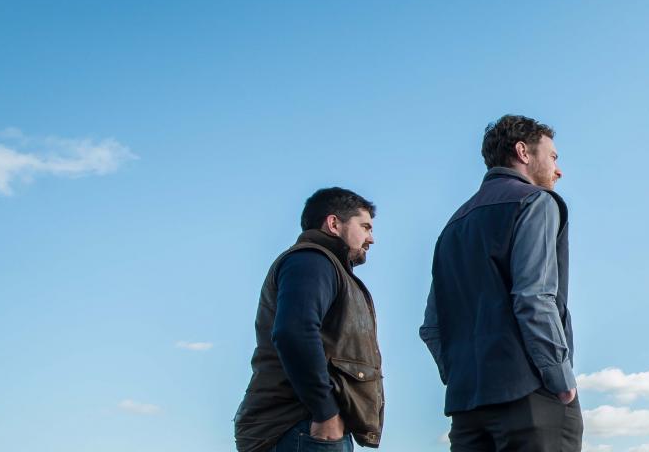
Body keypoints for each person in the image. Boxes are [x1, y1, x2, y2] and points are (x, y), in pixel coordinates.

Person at [421, 115, 582, 451]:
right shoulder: (536, 202)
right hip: (530, 396)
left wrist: (461, 377)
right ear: (523, 152)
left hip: (467, 407)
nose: (558, 169)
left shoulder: (452, 226)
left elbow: (432, 327)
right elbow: (534, 297)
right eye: (553, 157)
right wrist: (559, 376)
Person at [236, 187, 385, 452]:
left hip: (308, 428)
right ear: (334, 223)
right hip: (303, 427)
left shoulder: (322, 265)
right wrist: (325, 411)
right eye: (365, 227)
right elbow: (295, 331)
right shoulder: (312, 260)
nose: (371, 238)